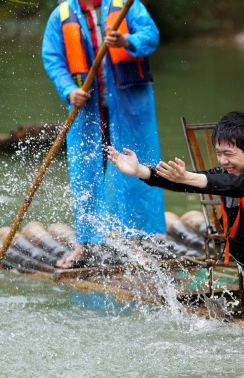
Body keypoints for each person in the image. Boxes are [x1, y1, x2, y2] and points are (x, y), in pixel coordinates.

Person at [107, 111, 244, 323]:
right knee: (237, 242)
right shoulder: (236, 168)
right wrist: (141, 171)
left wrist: (189, 177)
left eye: (229, 154)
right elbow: (195, 180)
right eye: (219, 154)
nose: (223, 161)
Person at [42, 0, 165, 268]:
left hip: (129, 105)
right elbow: (53, 58)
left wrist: (126, 40)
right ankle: (83, 244)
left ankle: (135, 241)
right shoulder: (61, 15)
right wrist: (68, 90)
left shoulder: (127, 6)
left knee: (135, 166)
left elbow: (150, 36)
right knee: (85, 172)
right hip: (88, 110)